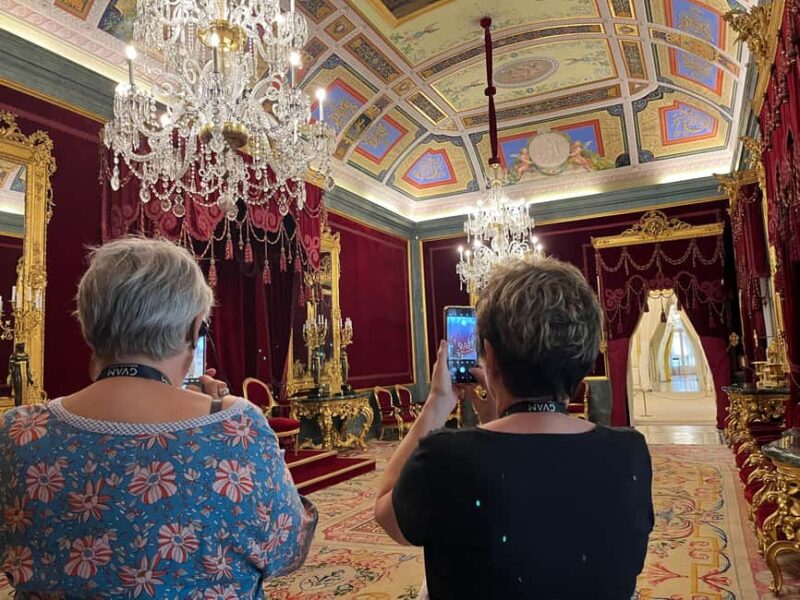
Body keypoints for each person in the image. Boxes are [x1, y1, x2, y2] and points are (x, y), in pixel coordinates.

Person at [0, 237, 317, 597]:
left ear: (88, 323)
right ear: (192, 331)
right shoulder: (236, 427)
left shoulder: (19, 432)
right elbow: (288, 550)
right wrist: (216, 412)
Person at [375, 257, 654, 599]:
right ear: (584, 357)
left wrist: (436, 403)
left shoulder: (445, 455)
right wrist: (495, 418)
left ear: (489, 356)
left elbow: (387, 515)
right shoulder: (629, 453)